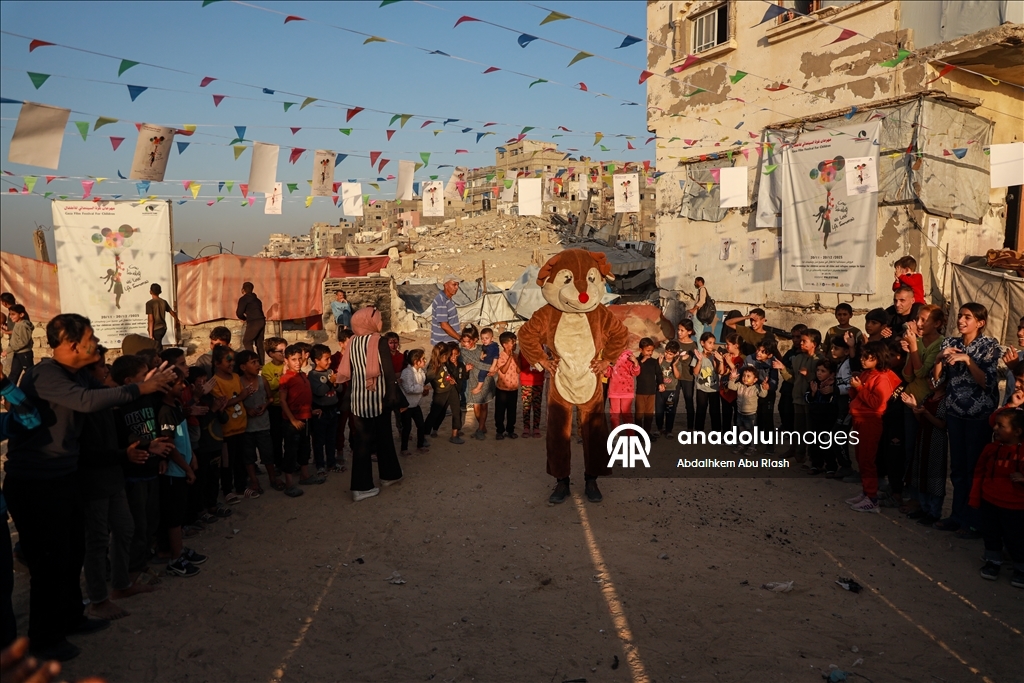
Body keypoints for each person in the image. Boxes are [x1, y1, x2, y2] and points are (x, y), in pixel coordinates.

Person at [3, 313, 172, 661]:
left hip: (65, 477)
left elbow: (104, 393)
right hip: (36, 483)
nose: (96, 343)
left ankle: (71, 617)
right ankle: (44, 639)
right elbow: (87, 402)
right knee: (48, 564)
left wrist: (144, 385)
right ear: (71, 344)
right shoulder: (46, 374)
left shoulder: (77, 375)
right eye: (90, 338)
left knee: (72, 554)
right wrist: (140, 388)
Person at [79, 348, 159, 621]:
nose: (106, 371)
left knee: (125, 528)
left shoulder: (106, 398)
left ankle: (122, 584)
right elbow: (89, 451)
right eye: (101, 367)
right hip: (94, 480)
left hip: (113, 476)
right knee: (97, 540)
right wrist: (124, 454)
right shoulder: (85, 403)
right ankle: (98, 599)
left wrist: (142, 447)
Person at [932, 303, 1002, 537]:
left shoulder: (989, 346)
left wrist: (968, 360)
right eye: (960, 316)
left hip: (978, 417)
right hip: (955, 413)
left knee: (975, 468)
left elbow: (988, 383)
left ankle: (974, 521)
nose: (961, 321)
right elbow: (936, 381)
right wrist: (939, 359)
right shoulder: (950, 343)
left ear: (980, 323)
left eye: (967, 317)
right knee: (958, 468)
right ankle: (957, 516)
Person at [336, 307, 405, 501]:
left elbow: (351, 370)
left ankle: (389, 475)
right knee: (376, 440)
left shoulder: (352, 341)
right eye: (378, 319)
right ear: (368, 322)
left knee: (366, 440)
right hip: (379, 397)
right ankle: (362, 486)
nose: (380, 323)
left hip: (358, 399)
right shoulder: (379, 341)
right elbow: (388, 371)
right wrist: (393, 396)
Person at [156, 368, 206, 577]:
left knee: (180, 515)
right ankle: (175, 559)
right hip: (174, 473)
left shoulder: (176, 405)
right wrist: (186, 468)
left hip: (183, 467)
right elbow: (169, 446)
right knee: (174, 519)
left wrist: (191, 456)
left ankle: (179, 550)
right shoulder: (165, 411)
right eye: (179, 383)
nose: (184, 386)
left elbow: (183, 436)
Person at [898, 304, 946, 514]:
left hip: (927, 404)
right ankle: (912, 494)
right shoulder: (916, 341)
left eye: (924, 320)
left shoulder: (940, 344)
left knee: (925, 454)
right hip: (910, 400)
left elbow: (922, 372)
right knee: (910, 450)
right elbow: (908, 375)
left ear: (937, 323)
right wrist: (913, 348)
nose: (918, 323)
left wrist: (913, 349)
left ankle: (923, 501)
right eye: (918, 318)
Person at [970, 409, 1024, 588]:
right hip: (990, 500)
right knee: (991, 534)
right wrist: (975, 497)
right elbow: (979, 472)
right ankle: (993, 562)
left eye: (1001, 426)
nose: (995, 428)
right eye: (996, 425)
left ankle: (1020, 568)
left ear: (1017, 431)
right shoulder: (991, 449)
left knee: (1016, 538)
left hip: (1015, 506)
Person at [846, 341, 902, 513]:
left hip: (870, 421)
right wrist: (856, 386)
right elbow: (857, 395)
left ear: (877, 358)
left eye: (866, 357)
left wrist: (859, 388)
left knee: (867, 459)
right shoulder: (867, 373)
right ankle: (866, 492)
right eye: (862, 356)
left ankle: (871, 498)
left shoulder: (882, 377)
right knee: (861, 458)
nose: (862, 359)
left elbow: (877, 404)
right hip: (860, 419)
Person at [901, 386, 948, 526]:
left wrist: (925, 412)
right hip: (923, 437)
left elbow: (942, 424)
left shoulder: (945, 400)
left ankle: (934, 512)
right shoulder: (928, 397)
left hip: (936, 440)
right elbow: (920, 418)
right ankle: (924, 507)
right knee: (921, 472)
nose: (930, 381)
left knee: (935, 476)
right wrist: (915, 407)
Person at [278, 345, 318, 497]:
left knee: (305, 448)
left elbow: (304, 397)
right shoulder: (286, 378)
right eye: (293, 359)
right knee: (291, 451)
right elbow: (283, 401)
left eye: (299, 359)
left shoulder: (303, 376)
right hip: (292, 422)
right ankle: (289, 483)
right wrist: (293, 420)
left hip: (306, 418)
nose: (297, 362)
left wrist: (311, 411)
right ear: (286, 360)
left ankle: (305, 475)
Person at [779, 328, 823, 464]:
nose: (801, 343)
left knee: (811, 430)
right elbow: (793, 378)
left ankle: (812, 458)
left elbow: (821, 379)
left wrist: (809, 375)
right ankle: (799, 454)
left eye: (804, 341)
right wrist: (783, 369)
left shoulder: (820, 360)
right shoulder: (797, 358)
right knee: (798, 428)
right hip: (798, 399)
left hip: (812, 400)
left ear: (814, 344)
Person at [237, 351, 278, 489]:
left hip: (263, 425)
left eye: (257, 362)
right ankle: (254, 481)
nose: (257, 365)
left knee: (267, 453)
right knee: (249, 456)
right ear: (243, 367)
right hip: (246, 427)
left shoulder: (262, 380)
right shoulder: (238, 382)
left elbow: (270, 398)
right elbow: (236, 401)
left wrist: (265, 405)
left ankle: (273, 478)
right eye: (253, 362)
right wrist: (247, 409)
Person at [308, 344, 340, 476]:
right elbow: (319, 392)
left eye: (330, 358)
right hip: (321, 412)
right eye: (326, 359)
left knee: (331, 439)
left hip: (333, 410)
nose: (330, 361)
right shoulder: (313, 375)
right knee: (319, 440)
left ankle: (331, 463)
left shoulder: (330, 372)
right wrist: (330, 382)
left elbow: (339, 389)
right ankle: (320, 465)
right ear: (317, 360)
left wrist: (336, 383)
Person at [727, 365, 768, 456]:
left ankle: (752, 447)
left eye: (748, 376)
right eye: (744, 375)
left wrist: (764, 387)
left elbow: (763, 395)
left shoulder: (756, 387)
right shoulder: (739, 385)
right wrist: (732, 378)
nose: (745, 378)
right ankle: (741, 445)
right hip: (740, 413)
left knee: (752, 431)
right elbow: (731, 386)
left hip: (751, 414)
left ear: (755, 379)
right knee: (742, 430)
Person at [425, 342, 462, 444]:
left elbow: (446, 373)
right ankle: (424, 435)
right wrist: (423, 388)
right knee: (435, 414)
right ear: (444, 355)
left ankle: (454, 435)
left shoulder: (444, 363)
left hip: (451, 389)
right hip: (440, 393)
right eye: (448, 355)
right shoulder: (432, 369)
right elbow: (424, 380)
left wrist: (450, 379)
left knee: (456, 411)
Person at [805, 360, 838, 475]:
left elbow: (835, 402)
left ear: (831, 373)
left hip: (828, 419)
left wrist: (830, 392)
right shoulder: (814, 383)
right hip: (815, 417)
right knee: (814, 442)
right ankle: (816, 464)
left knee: (827, 443)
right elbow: (807, 398)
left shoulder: (834, 386)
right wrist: (813, 394)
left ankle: (831, 466)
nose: (819, 373)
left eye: (823, 371)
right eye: (818, 370)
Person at [489, 331, 521, 440]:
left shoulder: (516, 356)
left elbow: (518, 370)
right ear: (505, 344)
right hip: (502, 388)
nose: (515, 344)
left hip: (513, 388)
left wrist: (518, 359)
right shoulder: (500, 356)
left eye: (515, 342)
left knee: (512, 411)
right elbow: (503, 370)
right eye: (512, 342)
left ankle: (510, 430)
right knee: (500, 411)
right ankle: (500, 431)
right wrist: (510, 357)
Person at [399, 349, 430, 455]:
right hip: (406, 405)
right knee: (407, 428)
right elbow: (409, 388)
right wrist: (422, 388)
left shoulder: (421, 372)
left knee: (421, 425)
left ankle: (420, 445)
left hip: (416, 404)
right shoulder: (407, 372)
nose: (425, 361)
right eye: (423, 359)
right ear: (416, 361)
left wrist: (424, 391)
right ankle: (404, 448)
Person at [692, 332, 723, 431]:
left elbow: (719, 371)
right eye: (709, 342)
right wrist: (700, 361)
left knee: (715, 411)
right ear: (702, 343)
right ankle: (698, 431)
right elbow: (695, 372)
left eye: (713, 343)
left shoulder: (715, 356)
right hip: (701, 388)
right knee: (701, 410)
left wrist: (719, 361)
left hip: (714, 389)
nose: (712, 345)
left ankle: (716, 432)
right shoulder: (697, 356)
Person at [606, 347, 641, 429]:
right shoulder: (612, 355)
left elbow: (635, 373)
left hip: (626, 391)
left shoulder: (629, 355)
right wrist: (605, 367)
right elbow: (608, 373)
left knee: (627, 415)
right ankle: (615, 434)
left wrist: (635, 362)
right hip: (614, 391)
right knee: (614, 415)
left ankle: (630, 434)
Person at [674, 320, 699, 430]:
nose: (679, 332)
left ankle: (690, 427)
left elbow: (695, 361)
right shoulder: (674, 343)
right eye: (678, 329)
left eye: (682, 330)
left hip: (688, 377)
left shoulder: (694, 345)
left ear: (689, 332)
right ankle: (668, 428)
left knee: (689, 402)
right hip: (675, 377)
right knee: (672, 402)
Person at [632, 338, 659, 438]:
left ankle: (647, 432)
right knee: (639, 414)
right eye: (648, 350)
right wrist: (642, 362)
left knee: (649, 414)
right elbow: (636, 371)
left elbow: (659, 374)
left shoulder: (654, 361)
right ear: (641, 350)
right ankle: (638, 434)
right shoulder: (637, 361)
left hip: (651, 392)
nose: (650, 353)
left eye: (651, 351)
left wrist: (660, 383)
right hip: (640, 392)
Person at [655, 341, 682, 437]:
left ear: (675, 354)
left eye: (670, 354)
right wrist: (658, 364)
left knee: (670, 411)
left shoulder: (677, 363)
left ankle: (669, 430)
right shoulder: (660, 360)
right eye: (666, 352)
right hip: (660, 390)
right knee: (659, 410)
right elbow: (656, 373)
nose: (667, 355)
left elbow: (678, 376)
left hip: (671, 390)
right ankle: (659, 429)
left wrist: (674, 366)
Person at [236, 282, 266, 364]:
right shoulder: (257, 300)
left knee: (247, 341)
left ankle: (253, 362)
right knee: (259, 343)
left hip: (254, 322)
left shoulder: (243, 299)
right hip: (262, 321)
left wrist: (244, 318)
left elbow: (239, 313)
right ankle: (261, 363)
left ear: (243, 290)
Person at [4, 305, 33, 386]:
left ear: (21, 315)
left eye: (13, 314)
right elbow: (16, 339)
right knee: (14, 374)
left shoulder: (22, 325)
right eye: (10, 314)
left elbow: (23, 342)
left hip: (24, 354)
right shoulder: (17, 324)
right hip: (18, 353)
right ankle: (9, 392)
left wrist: (9, 350)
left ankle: (33, 391)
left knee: (30, 374)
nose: (11, 316)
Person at [519, 348, 545, 438]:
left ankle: (536, 427)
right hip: (526, 381)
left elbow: (544, 364)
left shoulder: (541, 349)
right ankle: (526, 427)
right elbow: (521, 364)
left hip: (538, 381)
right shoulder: (524, 349)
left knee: (537, 406)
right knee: (526, 406)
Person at [431, 275, 462, 346]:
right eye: (454, 284)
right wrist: (459, 338)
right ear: (446, 285)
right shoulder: (441, 301)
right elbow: (444, 325)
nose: (457, 287)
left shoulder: (448, 299)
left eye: (458, 285)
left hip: (449, 342)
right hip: (444, 344)